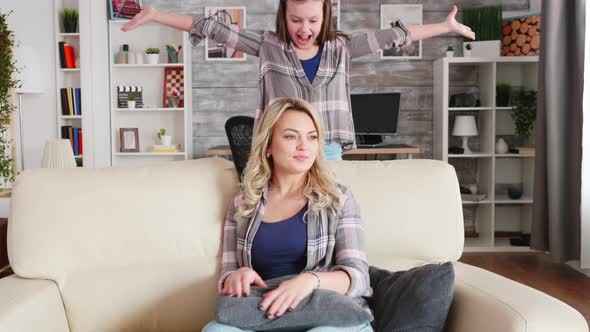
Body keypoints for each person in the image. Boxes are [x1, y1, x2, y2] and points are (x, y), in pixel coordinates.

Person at [121, 1, 475, 160]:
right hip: (280, 151)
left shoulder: (341, 48)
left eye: (312, 20)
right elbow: (211, 27)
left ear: (324, 17)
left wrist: (444, 27)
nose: (304, 29)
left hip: (329, 149)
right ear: (283, 16)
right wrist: (156, 15)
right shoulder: (268, 46)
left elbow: (395, 35)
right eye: (295, 20)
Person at [202, 98, 372, 331]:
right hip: (265, 313)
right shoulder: (243, 204)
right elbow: (228, 272)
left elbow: (359, 277)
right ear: (268, 145)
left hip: (327, 315)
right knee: (215, 330)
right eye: (291, 136)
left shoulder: (338, 199)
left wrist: (310, 281)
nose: (304, 146)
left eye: (312, 137)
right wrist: (236, 276)